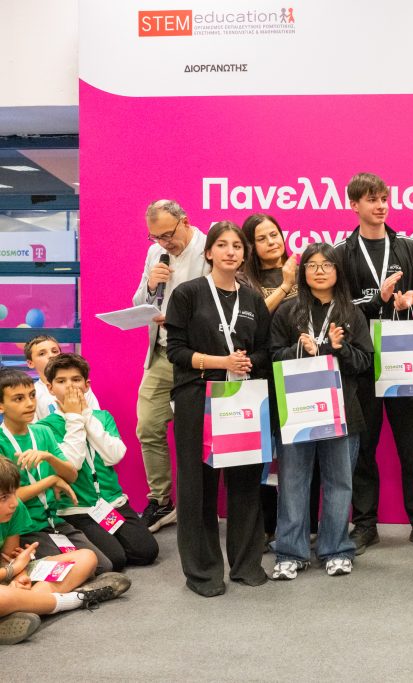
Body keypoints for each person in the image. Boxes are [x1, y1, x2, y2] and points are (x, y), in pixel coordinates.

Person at [334, 173, 413, 555]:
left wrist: (409, 300)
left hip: (404, 357)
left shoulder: (408, 247)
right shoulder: (342, 252)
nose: (381, 206)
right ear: (354, 205)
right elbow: (339, 307)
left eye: (384, 198)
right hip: (362, 360)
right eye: (372, 199)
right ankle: (365, 524)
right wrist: (377, 301)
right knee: (363, 447)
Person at [164, 220, 272, 597]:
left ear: (244, 255)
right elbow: (175, 351)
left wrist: (247, 362)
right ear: (208, 252)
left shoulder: (253, 299)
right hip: (198, 396)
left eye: (237, 246)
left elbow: (266, 350)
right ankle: (203, 572)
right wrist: (219, 362)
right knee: (198, 486)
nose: (230, 251)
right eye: (222, 245)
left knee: (245, 483)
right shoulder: (188, 294)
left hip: (242, 396)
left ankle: (246, 564)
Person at [269, 243, 373, 579]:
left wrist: (337, 349)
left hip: (342, 412)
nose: (319, 271)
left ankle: (336, 548)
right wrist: (300, 349)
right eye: (312, 265)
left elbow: (365, 363)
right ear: (303, 272)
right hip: (296, 410)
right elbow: (272, 357)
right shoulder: (288, 311)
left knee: (339, 482)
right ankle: (290, 551)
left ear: (338, 271)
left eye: (327, 265)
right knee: (293, 482)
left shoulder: (351, 313)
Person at [37, 353, 159, 572]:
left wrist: (85, 415)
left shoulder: (102, 417)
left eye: (76, 379)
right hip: (76, 510)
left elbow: (114, 455)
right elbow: (72, 464)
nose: (70, 386)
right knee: (115, 560)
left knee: (146, 551)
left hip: (112, 504)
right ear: (50, 388)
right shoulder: (45, 427)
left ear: (86, 385)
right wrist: (73, 419)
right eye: (61, 381)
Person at [238, 213, 318, 549]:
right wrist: (285, 286)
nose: (272, 242)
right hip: (261, 374)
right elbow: (252, 320)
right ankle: (262, 527)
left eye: (275, 234)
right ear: (250, 246)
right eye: (262, 238)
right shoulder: (243, 278)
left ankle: (304, 526)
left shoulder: (302, 268)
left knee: (303, 451)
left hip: (301, 373)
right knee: (259, 456)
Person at [132, 199, 210, 533]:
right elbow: (138, 303)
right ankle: (161, 501)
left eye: (168, 234)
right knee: (148, 426)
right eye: (156, 237)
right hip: (162, 354)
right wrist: (151, 285)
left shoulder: (209, 248)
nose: (164, 243)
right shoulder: (155, 254)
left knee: (198, 435)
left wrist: (177, 319)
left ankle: (200, 506)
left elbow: (217, 307)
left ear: (185, 221)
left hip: (197, 358)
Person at [0, 458, 130, 646]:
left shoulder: (15, 508)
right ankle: (76, 599)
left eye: (13, 493)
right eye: (4, 498)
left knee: (86, 557)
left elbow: (9, 557)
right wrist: (12, 571)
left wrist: (19, 578)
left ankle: (21, 609)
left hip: (5, 575)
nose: (14, 502)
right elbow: (11, 567)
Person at [0, 370, 113, 575]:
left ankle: (38, 573)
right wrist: (51, 480)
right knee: (79, 569)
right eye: (18, 398)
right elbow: (10, 498)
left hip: (55, 521)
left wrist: (49, 457)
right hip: (25, 528)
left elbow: (71, 476)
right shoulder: (2, 441)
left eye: (32, 395)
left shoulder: (42, 432)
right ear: (1, 405)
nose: (30, 403)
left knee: (103, 565)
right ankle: (25, 573)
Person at [23, 336, 100, 421]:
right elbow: (32, 426)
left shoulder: (81, 387)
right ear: (30, 363)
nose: (51, 355)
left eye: (55, 351)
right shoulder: (32, 393)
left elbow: (97, 420)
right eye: (42, 354)